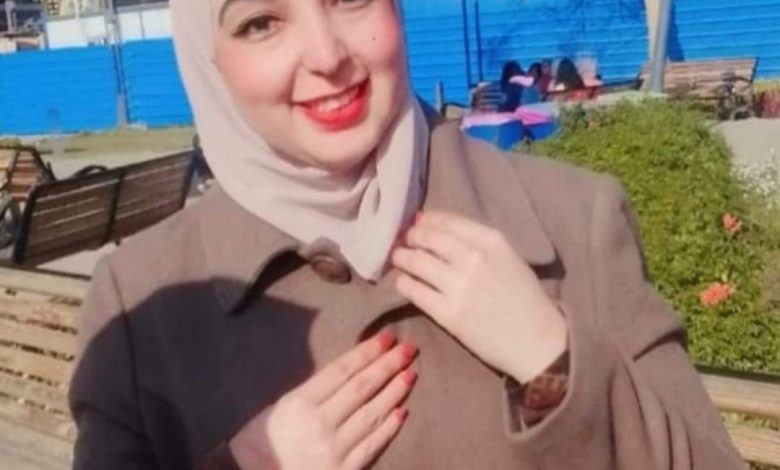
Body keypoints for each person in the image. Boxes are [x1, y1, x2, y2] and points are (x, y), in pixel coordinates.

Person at [69, 1, 744, 469]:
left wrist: (556, 362)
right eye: (261, 22)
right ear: (207, 59)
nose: (328, 55)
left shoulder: (575, 219)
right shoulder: (138, 302)